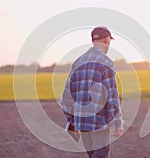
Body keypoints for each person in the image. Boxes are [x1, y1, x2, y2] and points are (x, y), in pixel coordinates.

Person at [61, 26, 123, 158]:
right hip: (99, 121)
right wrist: (117, 121)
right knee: (100, 155)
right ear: (107, 40)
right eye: (109, 43)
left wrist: (71, 120)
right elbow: (112, 96)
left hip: (81, 121)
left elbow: (66, 97)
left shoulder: (78, 62)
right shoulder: (106, 62)